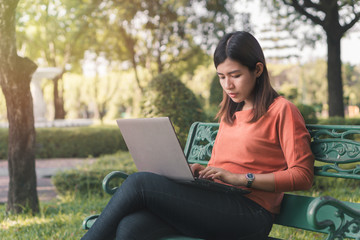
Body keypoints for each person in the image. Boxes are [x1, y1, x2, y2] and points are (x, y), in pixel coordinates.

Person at [81, 31, 314, 240]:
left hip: (250, 214)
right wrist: (201, 172)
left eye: (235, 75)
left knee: (139, 183)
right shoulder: (231, 112)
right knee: (132, 227)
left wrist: (241, 178)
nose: (228, 85)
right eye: (221, 77)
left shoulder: (282, 110)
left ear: (258, 70)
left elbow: (302, 175)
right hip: (217, 202)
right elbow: (221, 165)